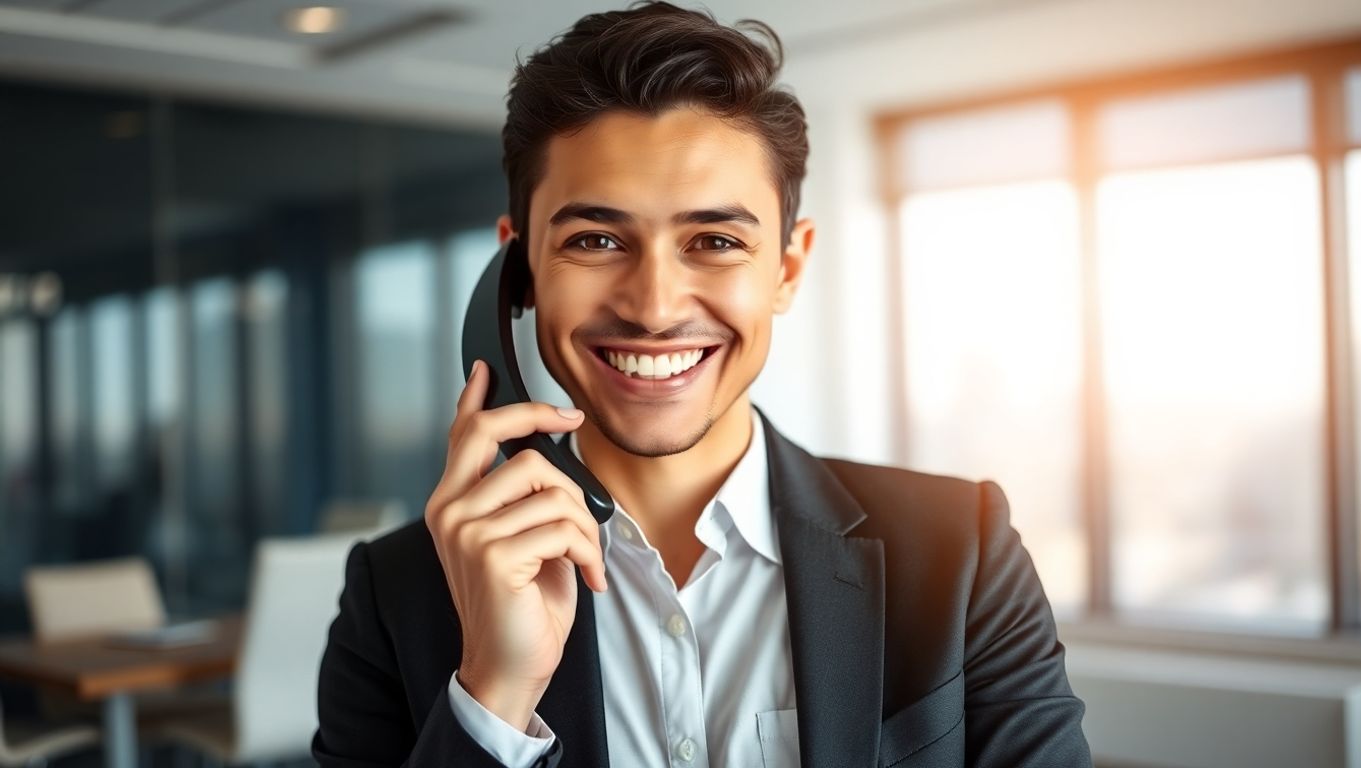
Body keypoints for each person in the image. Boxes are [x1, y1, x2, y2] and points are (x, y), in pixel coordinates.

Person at [312, 3, 1091, 766]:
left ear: (787, 268)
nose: (654, 309)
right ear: (519, 272)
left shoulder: (962, 554)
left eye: (715, 241)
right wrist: (495, 699)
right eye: (596, 240)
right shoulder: (395, 594)